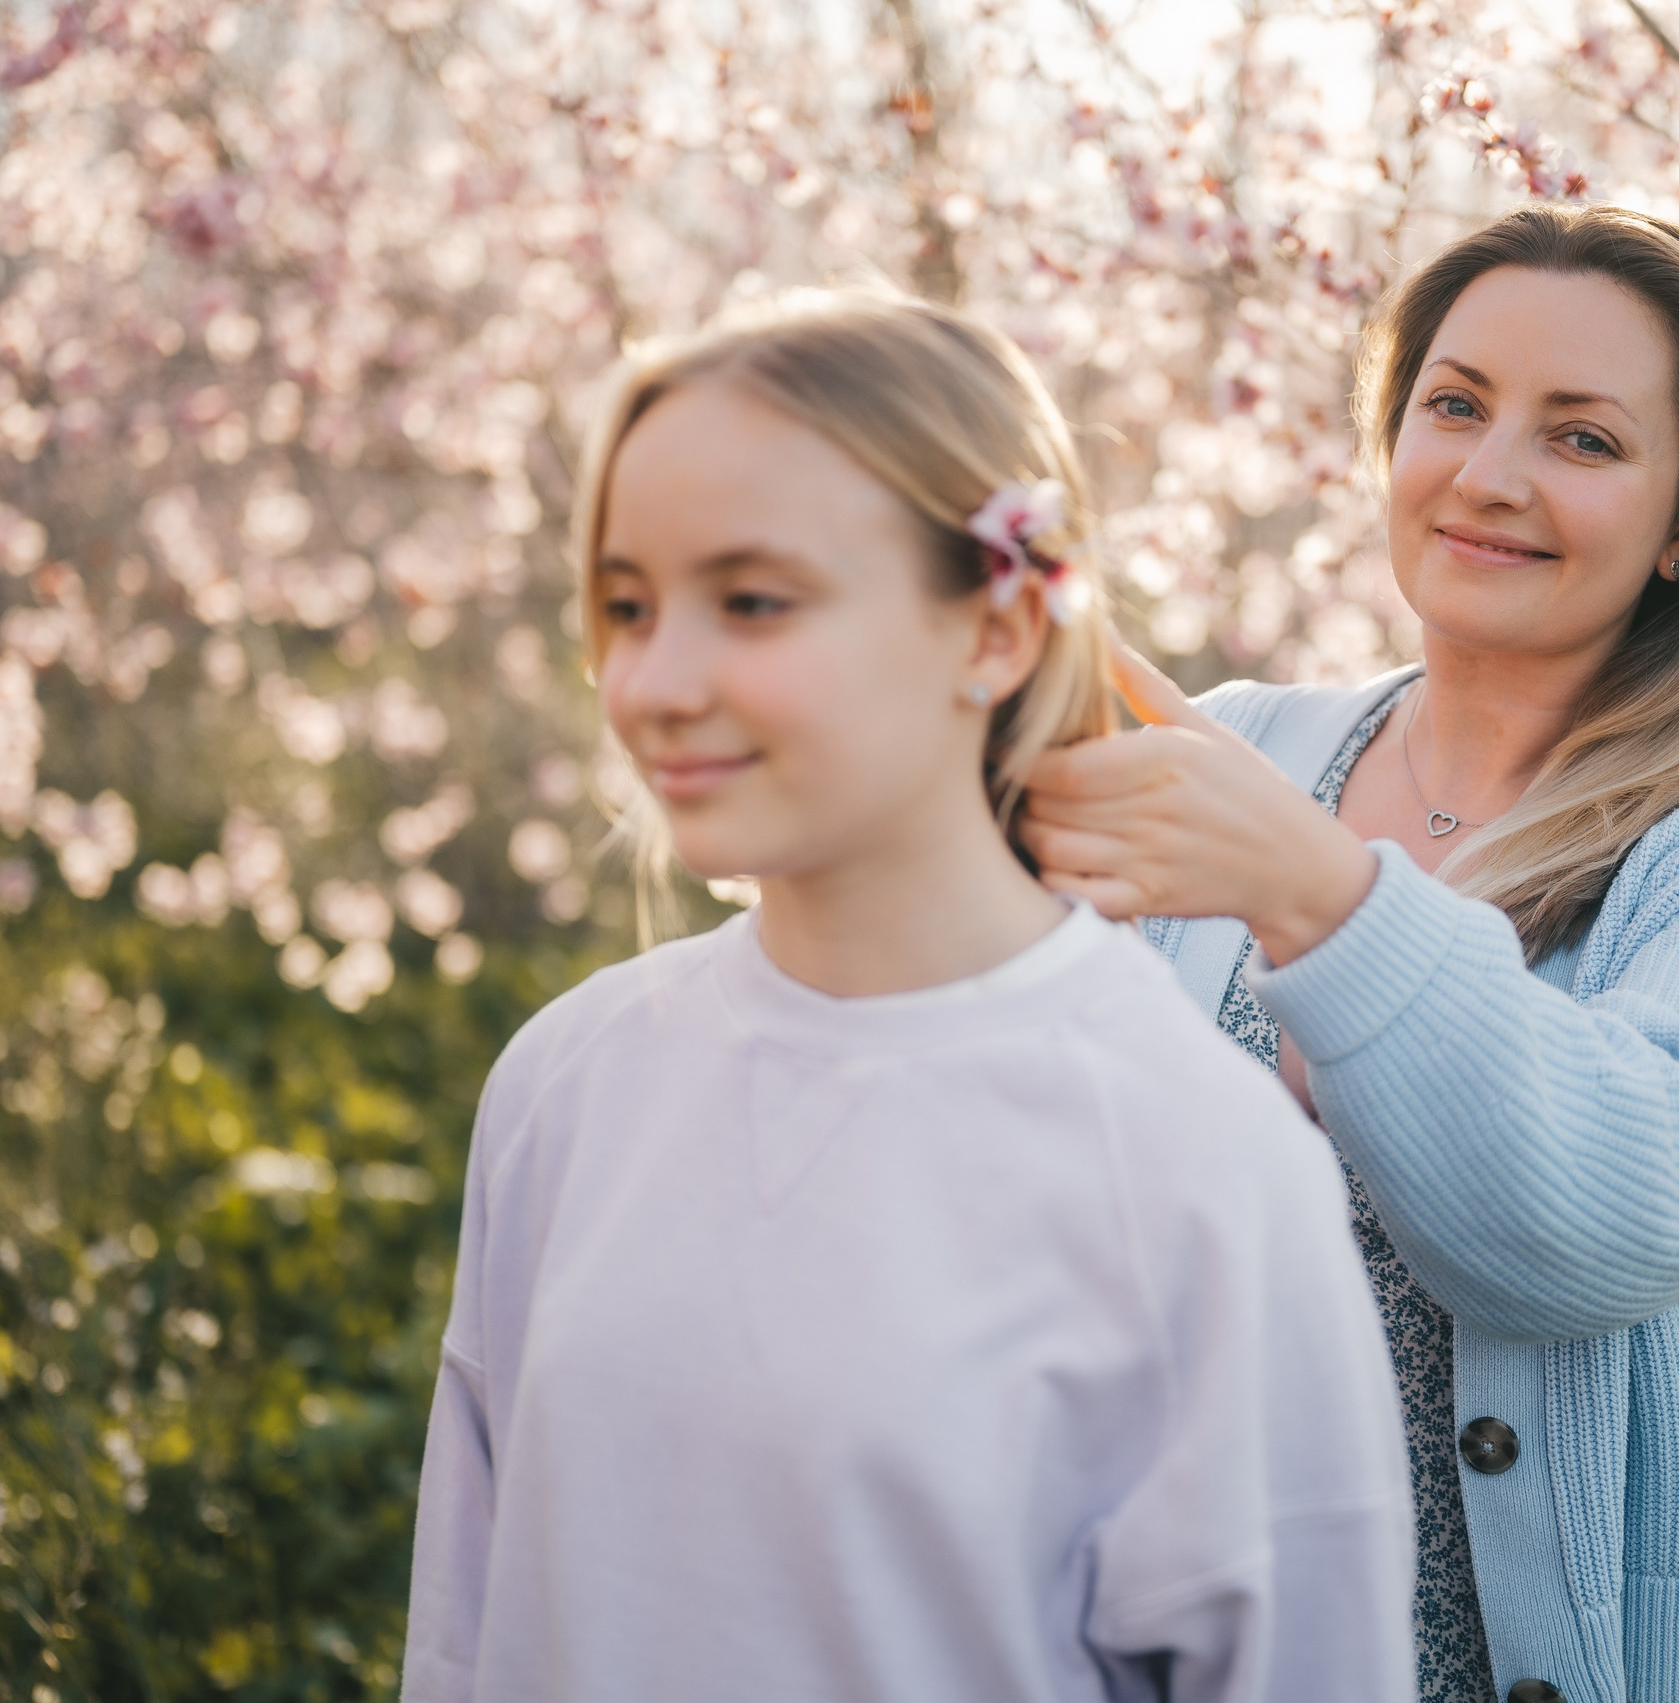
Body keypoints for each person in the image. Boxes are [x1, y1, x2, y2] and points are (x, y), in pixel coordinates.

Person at [398, 292, 1417, 1703]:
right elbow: (469, 1631)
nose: (657, 681)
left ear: (996, 629)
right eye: (627, 605)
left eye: (753, 601)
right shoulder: (564, 1085)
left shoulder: (1201, 1167)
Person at [1020, 206, 1679, 1703]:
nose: (1490, 478)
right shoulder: (1235, 743)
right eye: (1456, 405)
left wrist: (1315, 896)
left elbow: (1585, 1231)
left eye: (1585, 440)